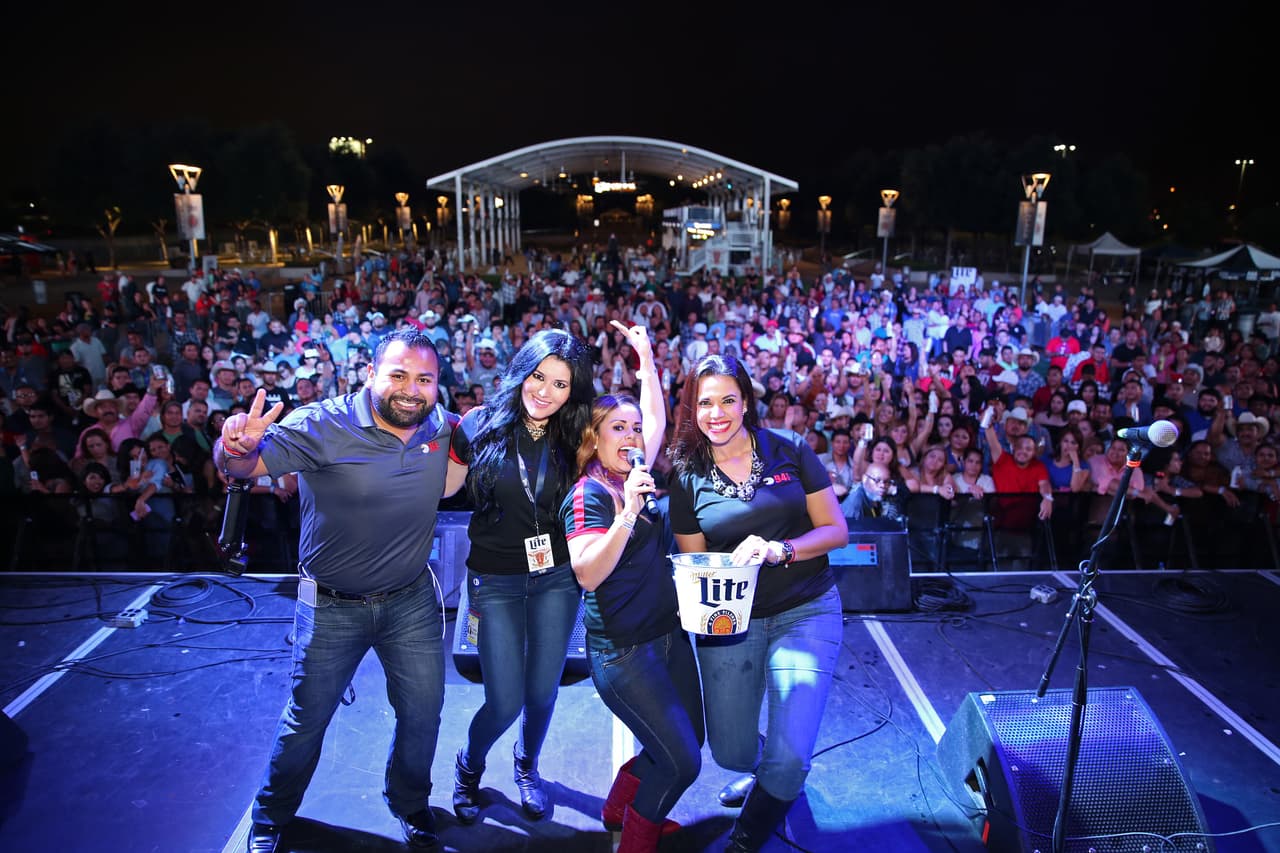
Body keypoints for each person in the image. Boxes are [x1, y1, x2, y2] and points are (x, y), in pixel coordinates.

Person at [215, 329, 458, 853]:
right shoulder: (321, 424)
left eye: (425, 379)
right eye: (398, 375)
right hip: (330, 605)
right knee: (306, 719)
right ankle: (271, 815)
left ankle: (410, 801)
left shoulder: (440, 427)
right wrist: (233, 446)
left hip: (410, 600)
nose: (411, 390)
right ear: (370, 374)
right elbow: (241, 465)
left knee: (423, 711)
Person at [668, 353, 848, 853]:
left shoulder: (790, 449)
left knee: (791, 760)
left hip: (806, 608)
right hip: (731, 622)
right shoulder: (686, 475)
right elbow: (697, 563)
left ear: (746, 401)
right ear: (693, 409)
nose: (717, 413)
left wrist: (778, 550)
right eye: (705, 403)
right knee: (730, 752)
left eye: (728, 400)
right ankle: (769, 771)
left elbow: (836, 530)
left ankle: (748, 834)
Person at [561, 321, 702, 851]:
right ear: (594, 439)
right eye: (618, 428)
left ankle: (619, 807)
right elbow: (587, 573)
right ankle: (637, 839)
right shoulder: (590, 495)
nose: (632, 437)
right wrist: (629, 514)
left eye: (635, 429)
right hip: (624, 652)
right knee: (681, 762)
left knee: (690, 740)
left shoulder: (634, 472)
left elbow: (657, 416)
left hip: (668, 637)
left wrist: (646, 358)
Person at [446, 328, 595, 825]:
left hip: (556, 579)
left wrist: (645, 359)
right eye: (538, 376)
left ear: (573, 392)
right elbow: (439, 488)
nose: (545, 391)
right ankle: (469, 766)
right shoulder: (478, 424)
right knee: (504, 700)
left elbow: (645, 434)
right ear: (520, 371)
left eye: (560, 384)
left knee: (542, 693)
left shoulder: (578, 433)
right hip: (494, 581)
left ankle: (527, 767)